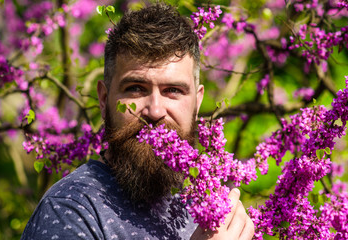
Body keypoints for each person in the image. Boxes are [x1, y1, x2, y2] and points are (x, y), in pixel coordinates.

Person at [21, 3, 254, 240]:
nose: (154, 111)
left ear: (197, 103)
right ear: (104, 99)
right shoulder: (70, 208)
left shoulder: (209, 211)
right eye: (135, 88)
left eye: (173, 90)